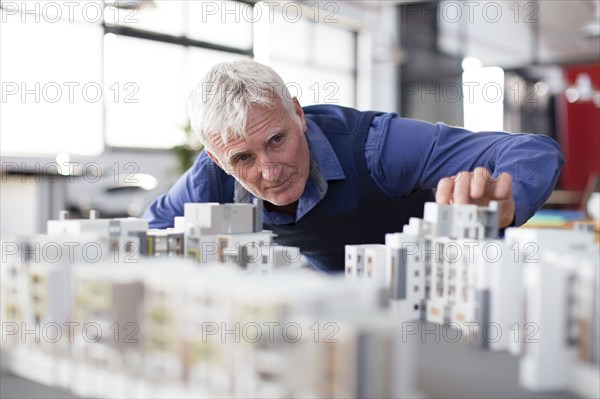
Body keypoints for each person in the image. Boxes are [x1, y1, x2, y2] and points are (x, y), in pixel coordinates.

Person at [144, 60, 564, 272]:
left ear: (297, 114)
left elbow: (534, 150)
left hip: (430, 297)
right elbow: (153, 228)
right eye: (244, 159)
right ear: (218, 159)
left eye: (277, 140)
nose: (270, 171)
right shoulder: (210, 177)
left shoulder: (378, 148)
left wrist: (506, 202)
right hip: (329, 317)